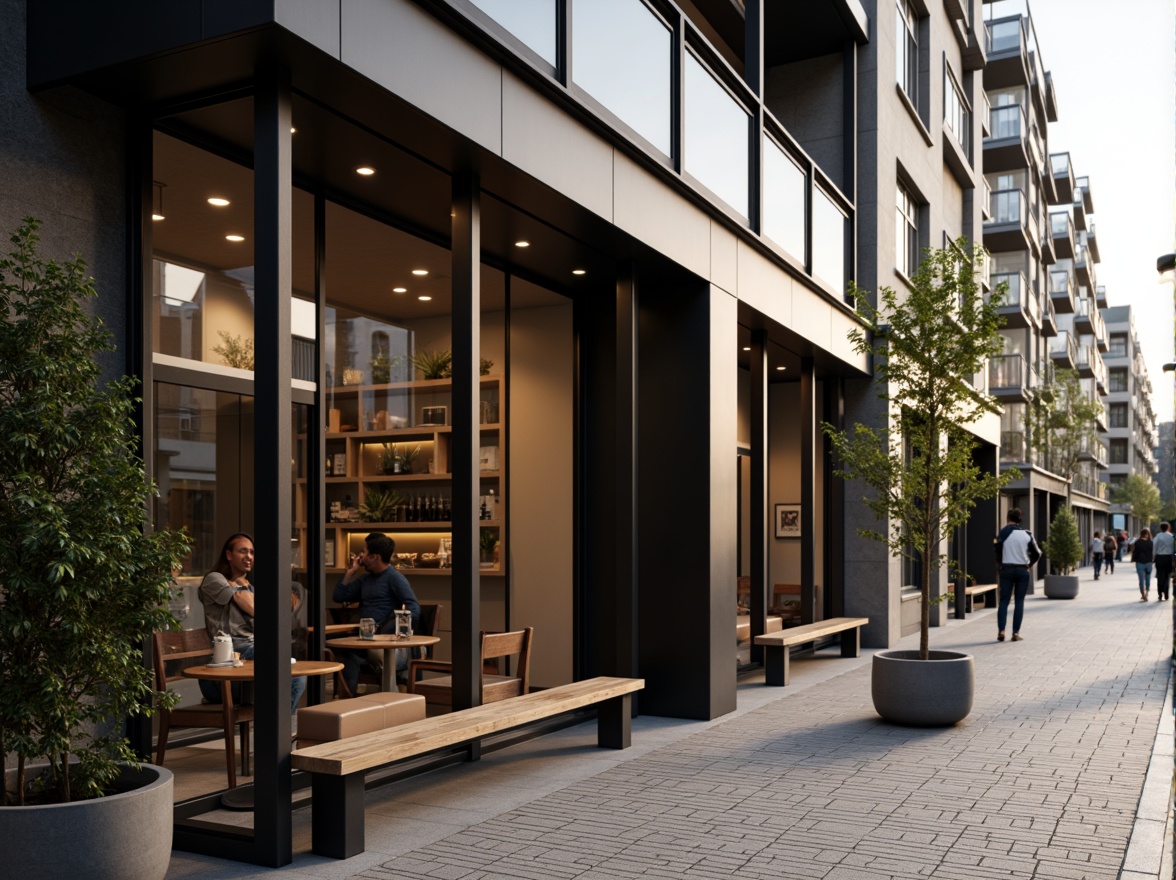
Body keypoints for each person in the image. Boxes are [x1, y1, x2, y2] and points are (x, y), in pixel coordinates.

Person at [198, 532, 308, 715]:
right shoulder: (214, 579)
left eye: (251, 552)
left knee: (294, 674)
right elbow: (253, 607)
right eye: (243, 551)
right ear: (228, 555)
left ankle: (278, 729)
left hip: (248, 664)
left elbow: (270, 619)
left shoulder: (249, 587)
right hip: (223, 670)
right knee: (290, 674)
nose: (249, 556)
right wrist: (242, 584)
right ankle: (276, 731)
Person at [333, 532, 421, 694]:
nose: (361, 556)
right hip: (365, 638)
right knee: (342, 652)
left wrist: (387, 632)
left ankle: (347, 700)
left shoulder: (395, 578)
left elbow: (413, 608)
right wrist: (351, 571)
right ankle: (347, 701)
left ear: (375, 557)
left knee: (348, 656)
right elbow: (339, 596)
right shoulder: (366, 579)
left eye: (364, 552)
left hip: (385, 643)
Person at [994, 508, 1041, 643]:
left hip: (1006, 570)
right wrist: (1029, 565)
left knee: (1004, 601)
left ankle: (1001, 630)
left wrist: (999, 567)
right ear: (1020, 519)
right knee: (1019, 601)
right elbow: (1037, 553)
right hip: (1022, 571)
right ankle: (1015, 633)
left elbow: (997, 552)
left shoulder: (1003, 533)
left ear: (1008, 518)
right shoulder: (1027, 534)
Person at [1133, 528, 1154, 602]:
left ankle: (1143, 594)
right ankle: (1147, 593)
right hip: (1148, 563)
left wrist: (1133, 559)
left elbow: (1134, 552)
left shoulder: (1137, 542)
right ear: (1148, 535)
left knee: (1141, 580)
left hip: (1139, 563)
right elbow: (1153, 553)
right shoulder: (1151, 543)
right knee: (1148, 579)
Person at [1155, 523, 1175, 601]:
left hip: (1159, 557)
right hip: (1169, 557)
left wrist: (1154, 557)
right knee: (1167, 576)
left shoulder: (1158, 536)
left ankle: (1160, 593)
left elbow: (1155, 547)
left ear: (1160, 528)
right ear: (1168, 528)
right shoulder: (1171, 536)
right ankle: (1166, 593)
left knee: (1160, 576)